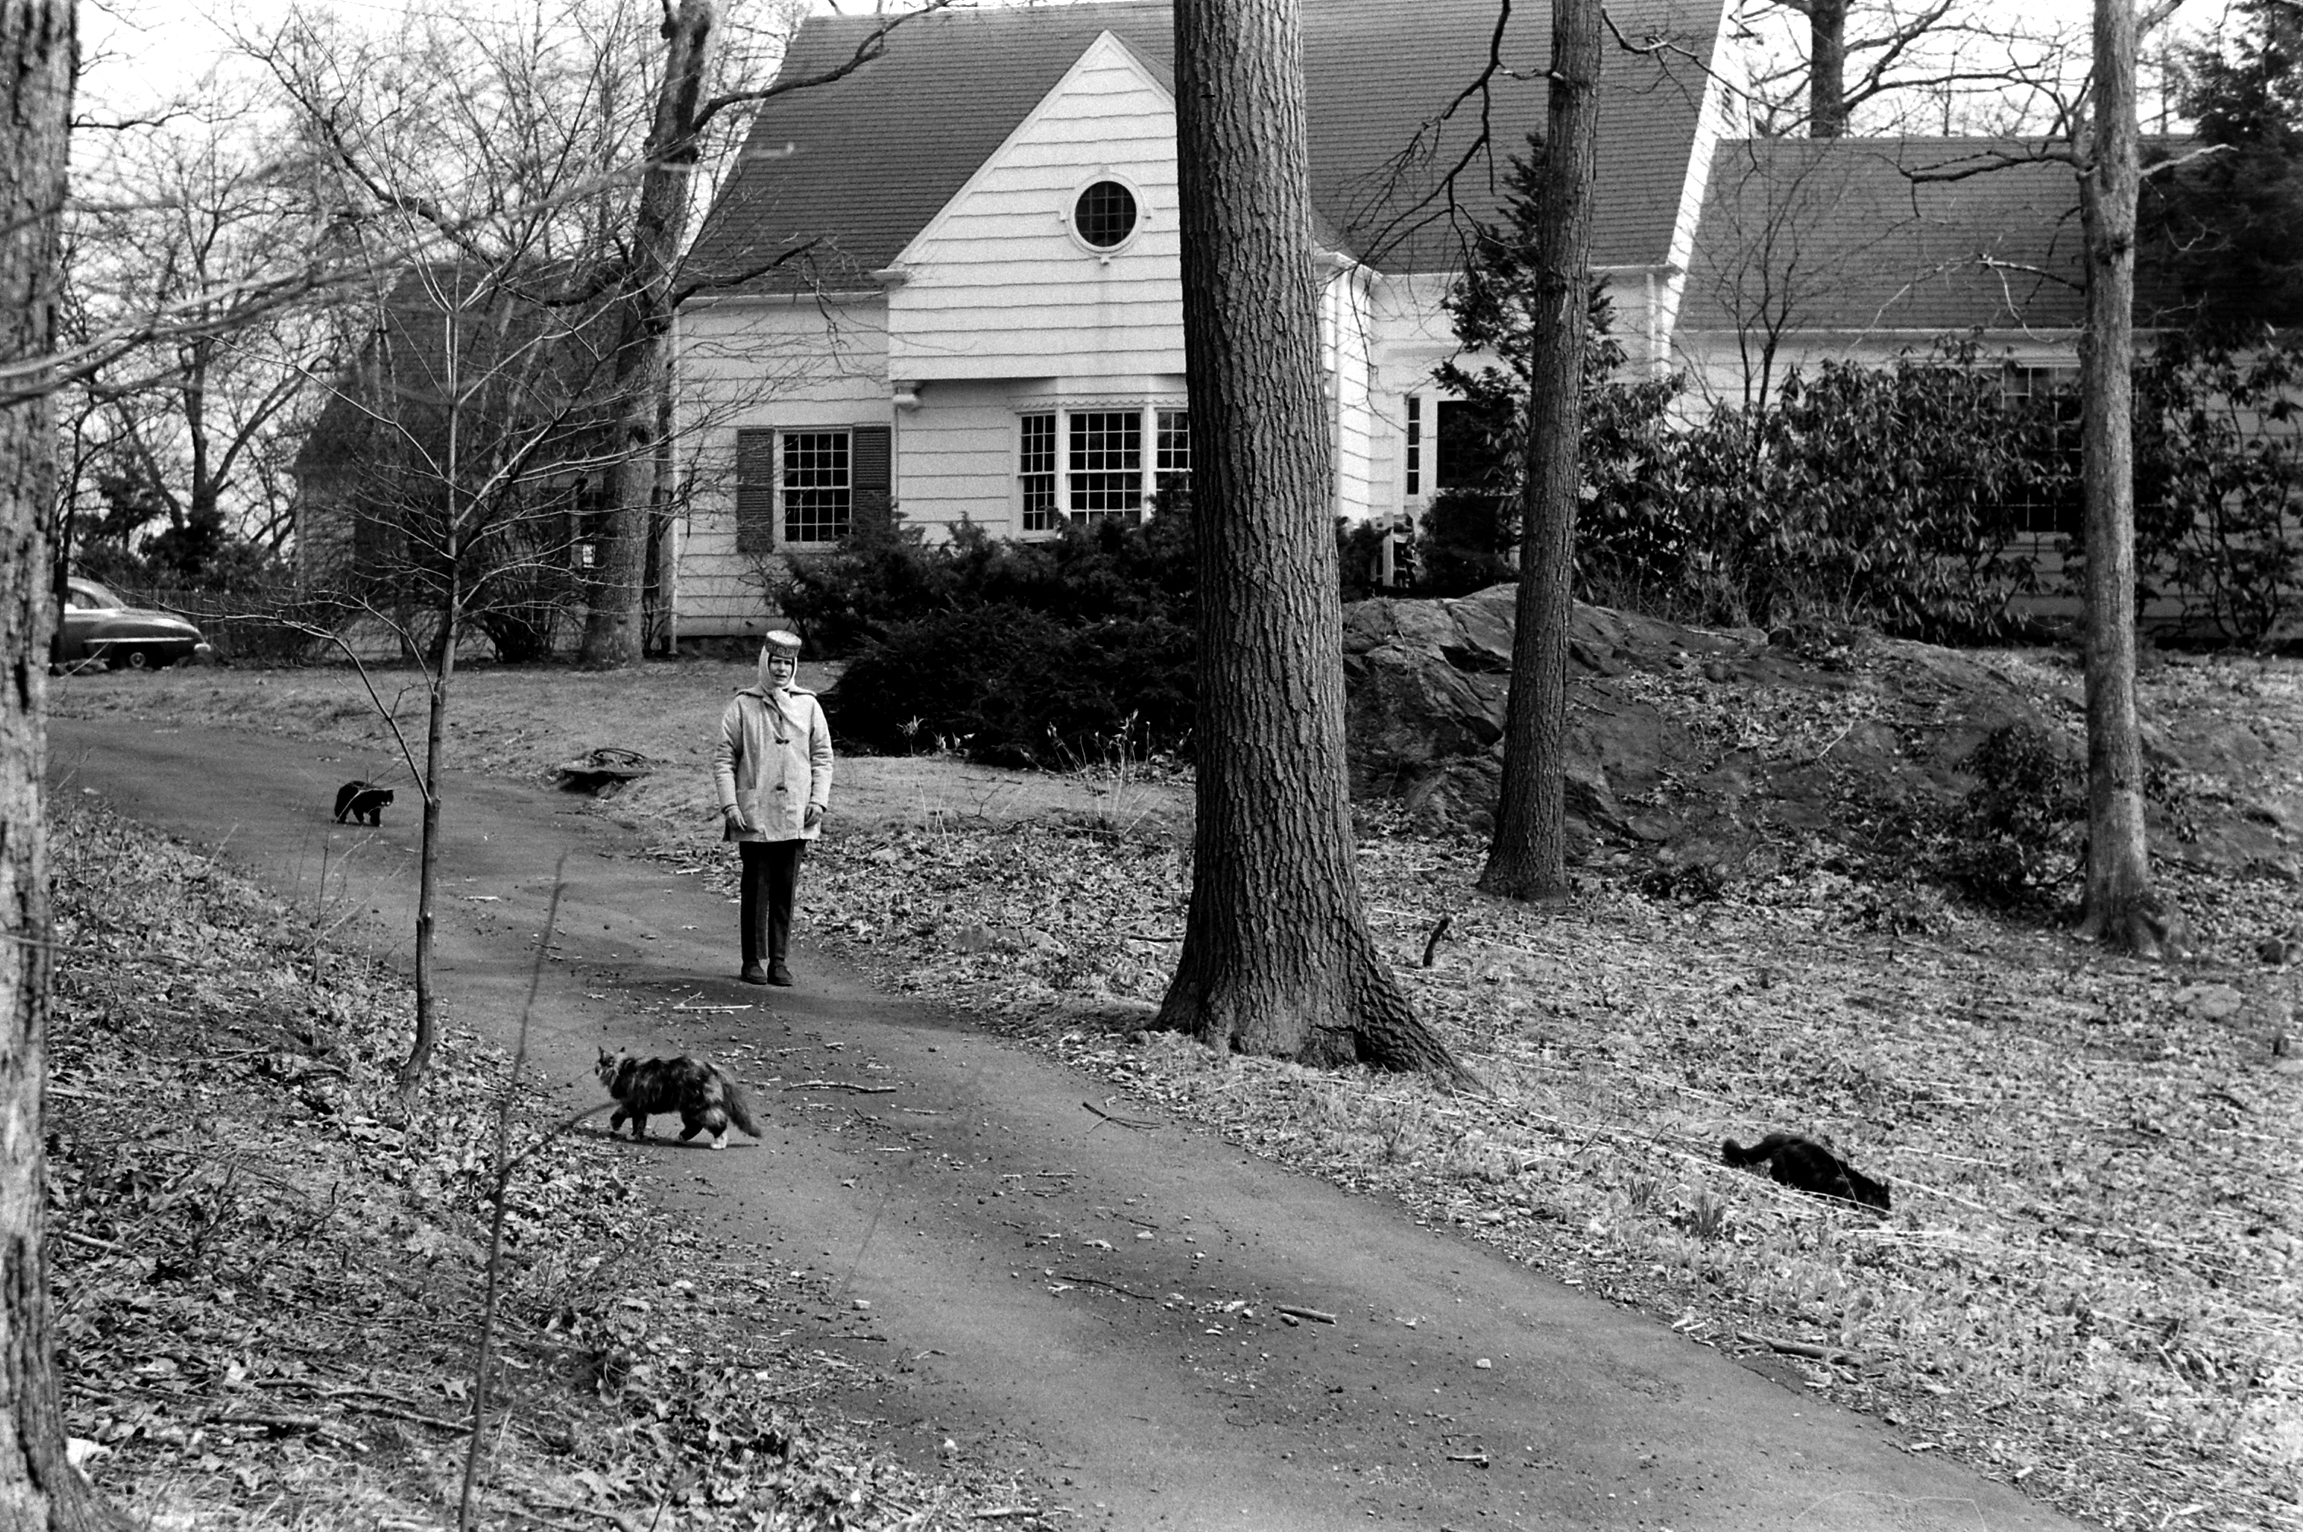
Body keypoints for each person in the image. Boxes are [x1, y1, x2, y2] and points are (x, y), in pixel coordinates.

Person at [712, 630, 833, 986]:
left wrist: (818, 800)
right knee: (756, 887)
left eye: (788, 663)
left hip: (797, 811)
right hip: (755, 811)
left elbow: (823, 757)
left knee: (785, 888)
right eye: (776, 662)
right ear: (765, 663)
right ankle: (753, 959)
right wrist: (730, 804)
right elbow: (723, 760)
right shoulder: (742, 705)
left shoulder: (808, 705)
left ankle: (779, 960)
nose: (782, 669)